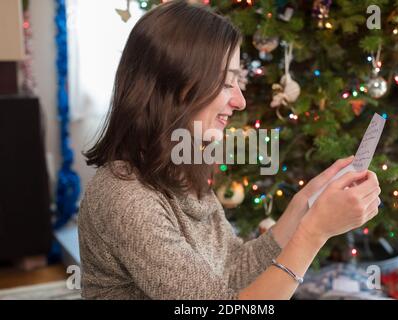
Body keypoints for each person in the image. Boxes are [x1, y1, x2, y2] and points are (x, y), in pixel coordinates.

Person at [78, 0, 381, 300]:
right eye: (225, 83)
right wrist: (314, 233)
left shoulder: (181, 165)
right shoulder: (125, 197)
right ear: (173, 86)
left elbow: (233, 269)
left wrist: (304, 207)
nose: (240, 101)